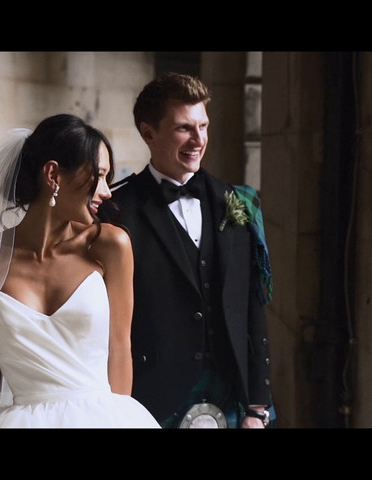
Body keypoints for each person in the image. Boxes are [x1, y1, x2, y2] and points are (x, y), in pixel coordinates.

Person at [0, 113, 159, 428]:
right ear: (53, 174)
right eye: (99, 175)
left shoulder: (110, 246)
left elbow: (119, 349)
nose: (106, 191)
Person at [101, 72, 274, 428]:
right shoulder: (116, 210)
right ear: (149, 133)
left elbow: (252, 309)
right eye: (184, 128)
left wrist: (258, 406)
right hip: (149, 400)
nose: (199, 139)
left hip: (231, 397)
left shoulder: (240, 203)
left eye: (203, 126)